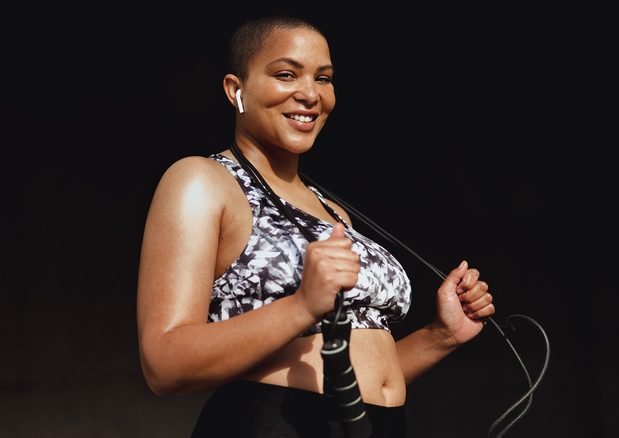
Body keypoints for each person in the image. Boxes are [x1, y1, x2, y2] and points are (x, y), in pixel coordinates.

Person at [137, 16, 495, 438]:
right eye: (286, 74)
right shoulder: (203, 181)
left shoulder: (332, 210)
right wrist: (301, 305)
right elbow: (163, 364)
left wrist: (441, 335)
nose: (310, 94)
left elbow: (352, 370)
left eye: (323, 78)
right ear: (237, 90)